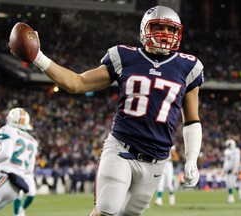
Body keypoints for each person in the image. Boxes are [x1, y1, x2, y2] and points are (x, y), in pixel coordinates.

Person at [11, 5, 203, 216]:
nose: (166, 33)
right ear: (144, 29)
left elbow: (192, 120)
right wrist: (39, 58)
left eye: (171, 29)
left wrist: (192, 158)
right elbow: (77, 82)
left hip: (157, 160)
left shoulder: (188, 67)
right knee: (106, 210)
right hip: (121, 149)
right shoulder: (125, 57)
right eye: (159, 27)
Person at [222, 138, 241, 203]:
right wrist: (224, 170)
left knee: (231, 183)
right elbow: (226, 162)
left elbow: (237, 161)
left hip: (234, 169)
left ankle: (232, 197)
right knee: (230, 184)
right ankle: (240, 192)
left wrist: (235, 169)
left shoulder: (236, 150)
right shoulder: (226, 151)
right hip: (228, 169)